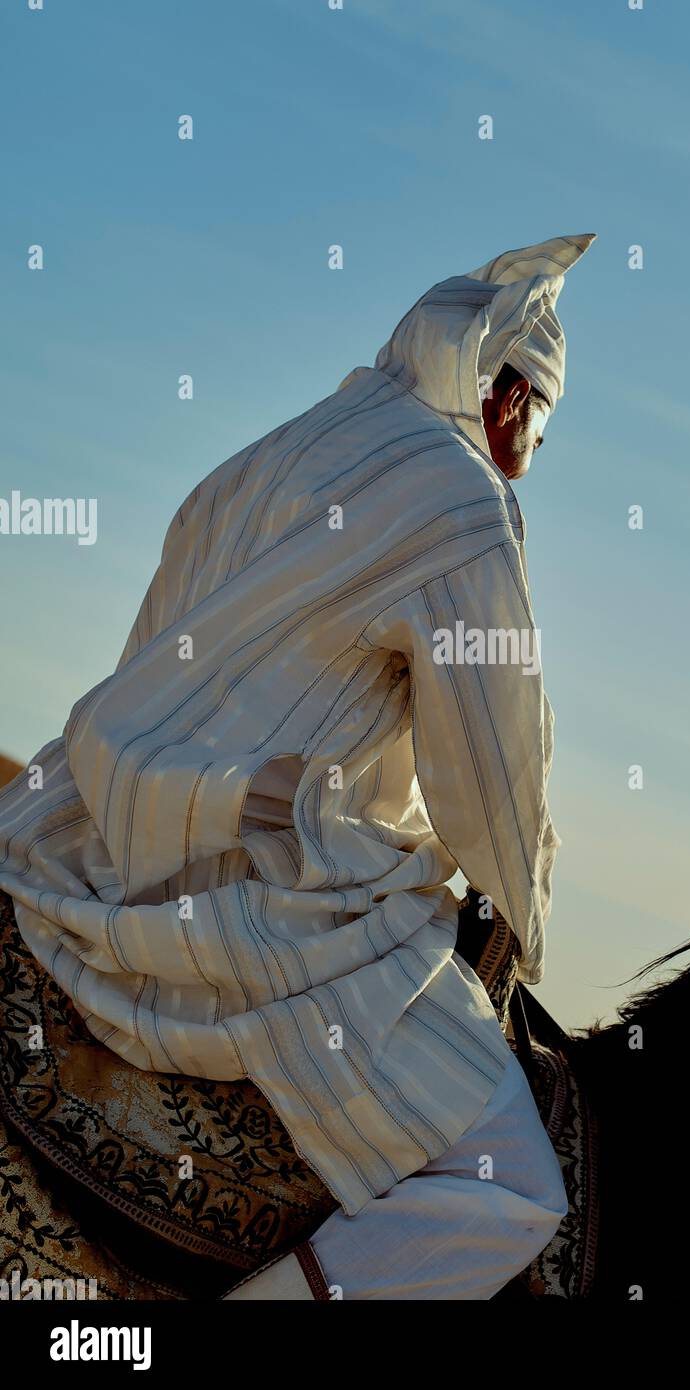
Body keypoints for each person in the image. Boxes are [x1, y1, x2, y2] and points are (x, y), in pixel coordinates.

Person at [0, 233, 595, 1299]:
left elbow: (152, 657)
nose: (528, 462)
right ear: (509, 401)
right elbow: (492, 777)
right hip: (262, 893)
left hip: (81, 830)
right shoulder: (464, 505)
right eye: (540, 434)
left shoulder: (276, 450)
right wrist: (526, 908)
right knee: (512, 1181)